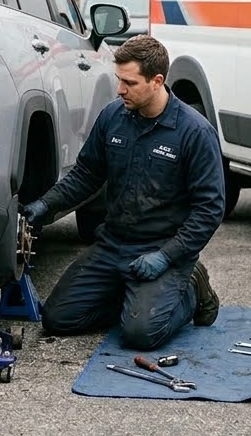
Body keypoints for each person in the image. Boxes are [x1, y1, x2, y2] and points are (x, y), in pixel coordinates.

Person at [22, 34, 226, 350]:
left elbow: (210, 209)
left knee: (141, 335)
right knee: (58, 319)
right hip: (113, 245)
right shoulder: (113, 117)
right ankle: (134, 294)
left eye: (129, 82)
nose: (120, 90)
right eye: (119, 80)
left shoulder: (194, 132)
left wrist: (166, 256)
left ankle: (191, 289)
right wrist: (44, 205)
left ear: (157, 81)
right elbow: (86, 175)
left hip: (163, 250)